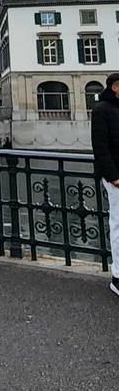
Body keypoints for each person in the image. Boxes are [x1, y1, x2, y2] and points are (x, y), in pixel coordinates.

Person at [91, 72, 119, 296]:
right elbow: (100, 147)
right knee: (118, 224)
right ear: (115, 87)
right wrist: (113, 176)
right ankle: (118, 276)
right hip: (116, 177)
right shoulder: (101, 110)